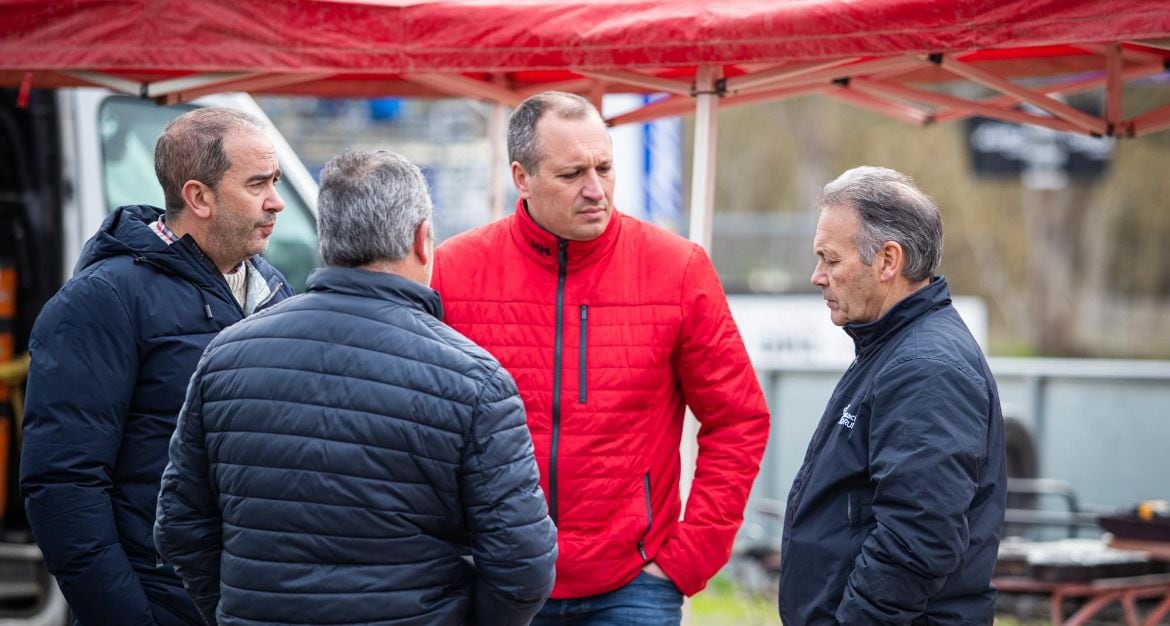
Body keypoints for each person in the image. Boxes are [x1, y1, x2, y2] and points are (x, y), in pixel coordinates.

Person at [154, 150, 558, 626]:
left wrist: (234, 608)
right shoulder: (474, 380)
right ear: (422, 240)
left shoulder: (226, 357)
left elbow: (181, 526)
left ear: (328, 239)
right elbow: (522, 564)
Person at [432, 91, 770, 623]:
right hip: (499, 580)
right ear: (521, 177)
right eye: (571, 175)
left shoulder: (678, 269)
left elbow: (739, 419)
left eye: (605, 167)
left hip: (633, 584)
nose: (596, 190)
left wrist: (689, 557)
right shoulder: (454, 270)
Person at [20, 107, 293, 626]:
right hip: (159, 602)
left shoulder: (274, 291)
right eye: (257, 183)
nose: (275, 201)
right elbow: (63, 485)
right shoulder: (102, 301)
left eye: (276, 181)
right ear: (199, 197)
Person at [778, 166, 1007, 625]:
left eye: (831, 259)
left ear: (887, 261)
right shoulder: (892, 347)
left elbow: (918, 536)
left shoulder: (925, 366)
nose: (817, 276)